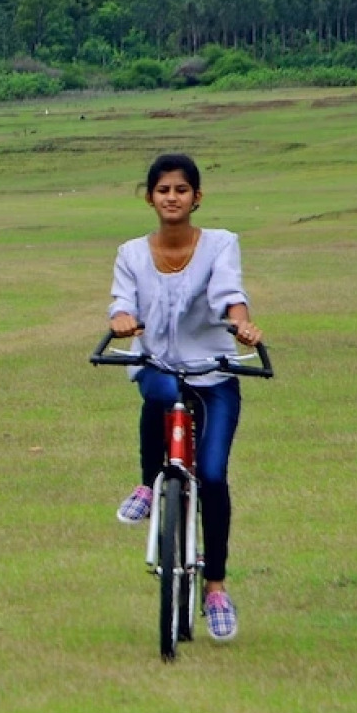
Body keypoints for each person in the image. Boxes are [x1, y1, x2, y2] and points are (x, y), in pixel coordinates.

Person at [107, 153, 263, 641]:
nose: (171, 197)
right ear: (149, 197)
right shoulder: (131, 252)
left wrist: (240, 321)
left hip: (214, 372)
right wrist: (120, 321)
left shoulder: (221, 244)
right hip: (159, 364)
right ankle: (149, 485)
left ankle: (215, 587)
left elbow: (228, 293)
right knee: (157, 387)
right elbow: (122, 302)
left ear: (197, 197)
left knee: (213, 476)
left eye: (181, 189)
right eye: (162, 190)